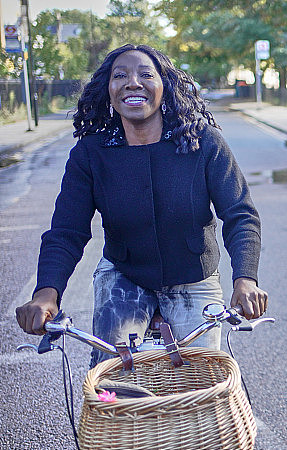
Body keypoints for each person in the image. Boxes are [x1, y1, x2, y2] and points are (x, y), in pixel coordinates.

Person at [15, 44, 268, 367]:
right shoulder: (91, 153)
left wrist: (245, 279)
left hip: (194, 276)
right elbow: (67, 231)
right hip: (125, 275)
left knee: (205, 376)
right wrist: (46, 293)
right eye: (120, 75)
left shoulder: (203, 142)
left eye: (146, 75)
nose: (133, 83)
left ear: (165, 87)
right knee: (112, 373)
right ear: (108, 89)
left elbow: (240, 215)